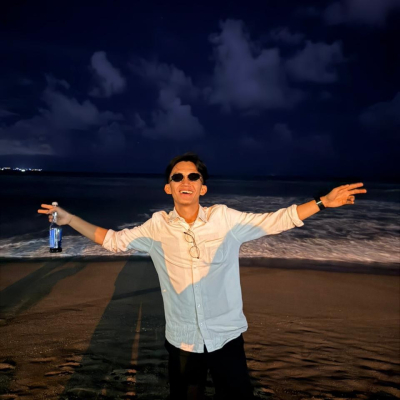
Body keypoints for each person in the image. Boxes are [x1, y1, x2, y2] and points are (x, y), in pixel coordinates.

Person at [38, 152, 367, 399]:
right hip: (183, 342)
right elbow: (112, 240)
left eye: (192, 177)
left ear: (202, 187)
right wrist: (69, 219)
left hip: (227, 337)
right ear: (168, 187)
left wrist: (323, 202)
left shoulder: (224, 219)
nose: (185, 182)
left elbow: (276, 220)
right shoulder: (156, 227)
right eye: (177, 177)